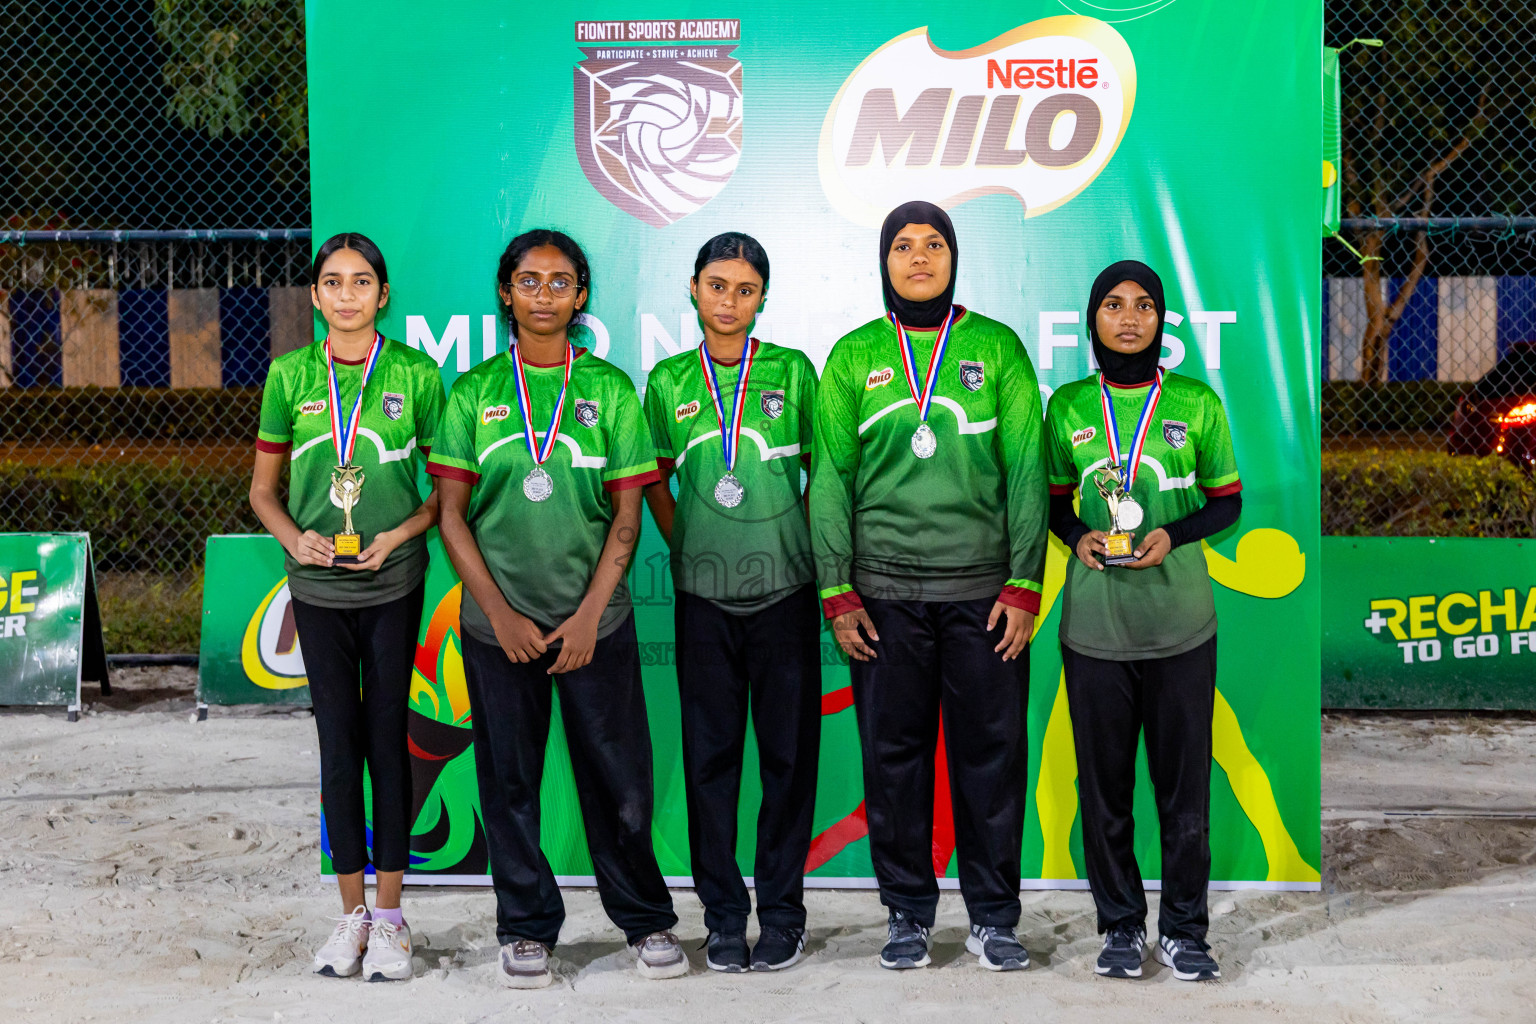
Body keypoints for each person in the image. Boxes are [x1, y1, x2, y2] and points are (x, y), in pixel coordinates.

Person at [428, 229, 686, 989]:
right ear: (505, 293)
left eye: (560, 282)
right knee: (509, 783)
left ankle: (645, 919)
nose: (544, 294)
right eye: (529, 281)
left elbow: (628, 518)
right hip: (497, 628)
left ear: (581, 297)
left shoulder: (610, 390)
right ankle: (526, 926)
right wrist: (500, 614)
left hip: (595, 625)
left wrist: (590, 614)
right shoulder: (473, 393)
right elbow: (450, 517)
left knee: (620, 781)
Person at [809, 201, 1049, 972]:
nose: (919, 257)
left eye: (934, 244)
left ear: (954, 257)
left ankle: (993, 918)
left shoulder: (997, 348)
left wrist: (1024, 580)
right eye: (904, 246)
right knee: (893, 758)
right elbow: (830, 481)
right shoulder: (853, 356)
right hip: (882, 598)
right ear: (884, 261)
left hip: (985, 598)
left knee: (992, 757)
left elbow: (1026, 469)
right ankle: (907, 914)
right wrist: (837, 590)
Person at [249, 231, 445, 981]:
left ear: (383, 295)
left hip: (393, 583)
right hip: (318, 589)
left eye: (362, 281)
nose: (347, 294)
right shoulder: (289, 375)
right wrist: (295, 539)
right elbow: (262, 493)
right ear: (315, 294)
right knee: (338, 745)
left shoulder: (416, 373)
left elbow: (445, 495)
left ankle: (391, 918)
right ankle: (351, 915)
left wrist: (396, 535)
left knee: (387, 740)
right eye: (333, 281)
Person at [1043, 260, 1242, 983]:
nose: (1129, 319)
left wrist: (1173, 535)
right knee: (1105, 792)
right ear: (1092, 320)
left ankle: (1185, 931)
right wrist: (1077, 537)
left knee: (1183, 793)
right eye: (1113, 305)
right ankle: (1121, 927)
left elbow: (1228, 502)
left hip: (1181, 627)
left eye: (1144, 306)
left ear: (1161, 320)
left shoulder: (1196, 402)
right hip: (1095, 630)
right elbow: (1054, 502)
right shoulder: (1068, 406)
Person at [642, 232, 820, 974]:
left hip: (785, 595)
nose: (729, 301)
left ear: (762, 299)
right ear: (693, 288)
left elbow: (822, 477)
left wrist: (793, 544)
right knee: (710, 762)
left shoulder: (793, 371)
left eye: (745, 290)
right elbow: (653, 479)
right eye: (717, 286)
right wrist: (689, 542)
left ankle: (781, 915)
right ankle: (721, 917)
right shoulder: (668, 380)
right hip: (703, 600)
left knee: (788, 761)